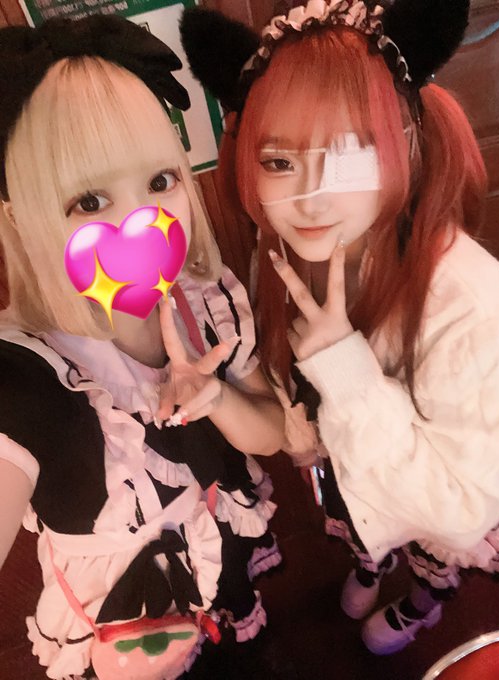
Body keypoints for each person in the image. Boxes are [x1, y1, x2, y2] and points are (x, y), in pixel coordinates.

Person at [180, 0, 499, 655]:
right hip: (350, 482)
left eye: (349, 153)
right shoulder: (283, 253)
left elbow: (457, 509)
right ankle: (371, 563)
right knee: (360, 529)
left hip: (445, 510)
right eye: (279, 162)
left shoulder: (470, 300)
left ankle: (422, 606)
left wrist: (346, 370)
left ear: (403, 145)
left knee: (432, 555)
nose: (311, 197)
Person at [0, 15, 285, 679]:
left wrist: (216, 398)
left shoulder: (207, 300)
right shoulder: (26, 375)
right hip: (121, 616)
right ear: (22, 218)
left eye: (160, 182)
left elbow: (272, 435)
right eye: (89, 199)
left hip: (218, 545)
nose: (142, 221)